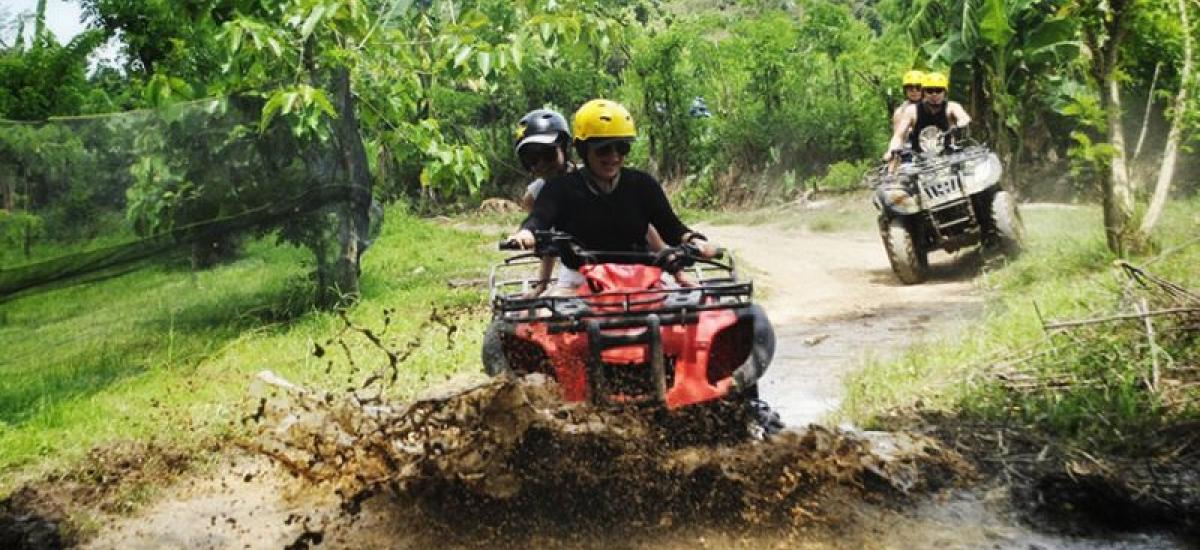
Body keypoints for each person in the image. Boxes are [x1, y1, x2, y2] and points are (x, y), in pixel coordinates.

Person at [508, 99, 716, 295]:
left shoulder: (642, 184)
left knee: (693, 312)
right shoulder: (560, 189)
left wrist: (694, 241)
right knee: (547, 318)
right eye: (603, 149)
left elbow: (671, 227)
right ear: (583, 150)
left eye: (622, 148)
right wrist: (526, 234)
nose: (614, 156)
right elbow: (540, 218)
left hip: (641, 278)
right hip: (580, 281)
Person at [514, 109, 576, 296]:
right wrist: (542, 285)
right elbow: (548, 242)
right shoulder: (535, 194)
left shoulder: (588, 181)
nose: (541, 164)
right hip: (573, 272)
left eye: (548, 154)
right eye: (532, 159)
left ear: (564, 148)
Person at [883, 71, 972, 164]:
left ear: (944, 92)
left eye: (938, 90)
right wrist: (891, 150)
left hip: (948, 158)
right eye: (930, 91)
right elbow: (898, 136)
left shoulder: (952, 107)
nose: (934, 94)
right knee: (902, 169)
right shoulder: (911, 111)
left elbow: (964, 117)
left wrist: (961, 123)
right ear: (924, 93)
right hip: (919, 161)